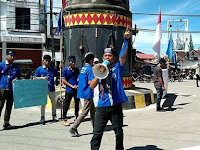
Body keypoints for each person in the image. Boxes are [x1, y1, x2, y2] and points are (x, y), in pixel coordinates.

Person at [90, 26, 131, 150]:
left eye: (110, 56)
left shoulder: (117, 67)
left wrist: (126, 40)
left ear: (113, 58)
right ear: (102, 57)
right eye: (105, 55)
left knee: (118, 132)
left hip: (115, 106)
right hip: (102, 106)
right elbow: (92, 85)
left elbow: (123, 57)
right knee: (97, 134)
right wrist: (99, 73)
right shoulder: (97, 69)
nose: (107, 57)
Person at [69, 52, 98, 137]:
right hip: (87, 93)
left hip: (82, 91)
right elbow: (90, 82)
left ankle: (95, 128)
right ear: (91, 60)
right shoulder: (90, 69)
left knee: (93, 111)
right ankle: (74, 127)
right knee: (84, 112)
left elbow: (79, 79)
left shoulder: (83, 68)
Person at [0, 50, 21, 130]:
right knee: (0, 106)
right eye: (10, 55)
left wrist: (16, 79)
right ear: (6, 56)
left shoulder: (16, 67)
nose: (12, 57)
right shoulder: (1, 65)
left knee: (9, 107)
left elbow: (19, 76)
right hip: (2, 88)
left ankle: (6, 123)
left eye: (13, 56)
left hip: (11, 89)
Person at [34, 55, 59, 124]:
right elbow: (35, 77)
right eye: (46, 61)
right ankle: (42, 117)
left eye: (49, 61)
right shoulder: (39, 69)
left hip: (51, 88)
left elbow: (57, 74)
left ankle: (54, 115)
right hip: (43, 89)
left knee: (53, 102)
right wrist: (42, 78)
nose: (47, 62)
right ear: (43, 61)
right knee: (43, 103)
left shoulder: (52, 69)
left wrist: (59, 68)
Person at [61, 56, 79, 126]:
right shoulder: (65, 70)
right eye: (72, 62)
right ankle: (64, 118)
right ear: (69, 62)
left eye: (74, 62)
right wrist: (71, 86)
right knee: (66, 104)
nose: (73, 63)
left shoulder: (77, 70)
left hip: (76, 89)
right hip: (69, 89)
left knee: (76, 103)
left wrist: (77, 84)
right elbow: (64, 80)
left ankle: (77, 116)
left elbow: (78, 77)